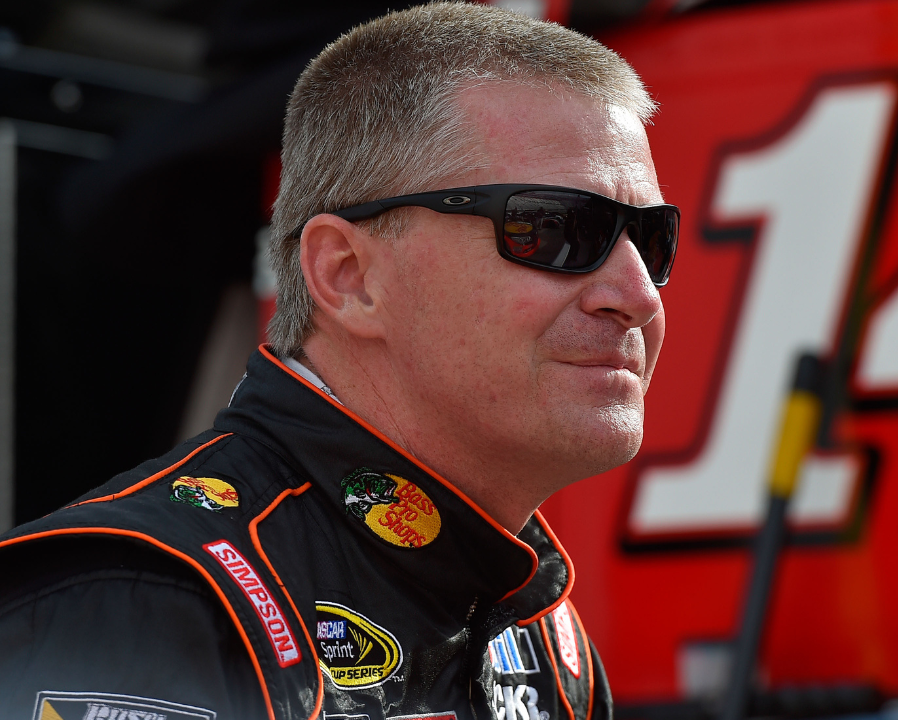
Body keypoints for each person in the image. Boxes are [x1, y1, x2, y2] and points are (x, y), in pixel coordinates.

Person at [0, 4, 678, 719]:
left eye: (652, 240)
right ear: (348, 275)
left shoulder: (544, 636)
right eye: (556, 228)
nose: (637, 295)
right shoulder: (150, 601)